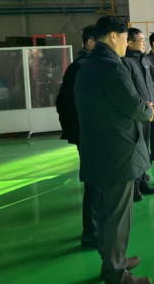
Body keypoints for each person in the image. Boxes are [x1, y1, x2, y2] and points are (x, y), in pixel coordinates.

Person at [75, 16, 154, 284]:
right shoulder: (111, 67)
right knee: (118, 216)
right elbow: (133, 105)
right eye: (124, 38)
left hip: (100, 148)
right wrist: (148, 111)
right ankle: (117, 274)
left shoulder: (90, 64)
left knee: (106, 211)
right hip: (117, 152)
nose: (126, 43)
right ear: (113, 36)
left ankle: (112, 260)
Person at [56, 25, 98, 248]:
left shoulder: (87, 65)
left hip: (90, 132)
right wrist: (79, 130)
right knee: (94, 182)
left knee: (98, 181)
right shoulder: (81, 67)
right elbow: (64, 103)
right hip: (88, 133)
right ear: (90, 43)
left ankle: (95, 228)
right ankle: (91, 233)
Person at [122, 28, 154, 202]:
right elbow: (131, 91)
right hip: (138, 113)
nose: (144, 43)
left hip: (148, 112)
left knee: (144, 149)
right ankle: (134, 188)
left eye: (145, 40)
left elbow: (148, 85)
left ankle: (143, 181)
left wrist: (153, 107)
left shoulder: (143, 60)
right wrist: (144, 108)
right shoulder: (126, 63)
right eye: (141, 40)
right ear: (130, 43)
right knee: (136, 151)